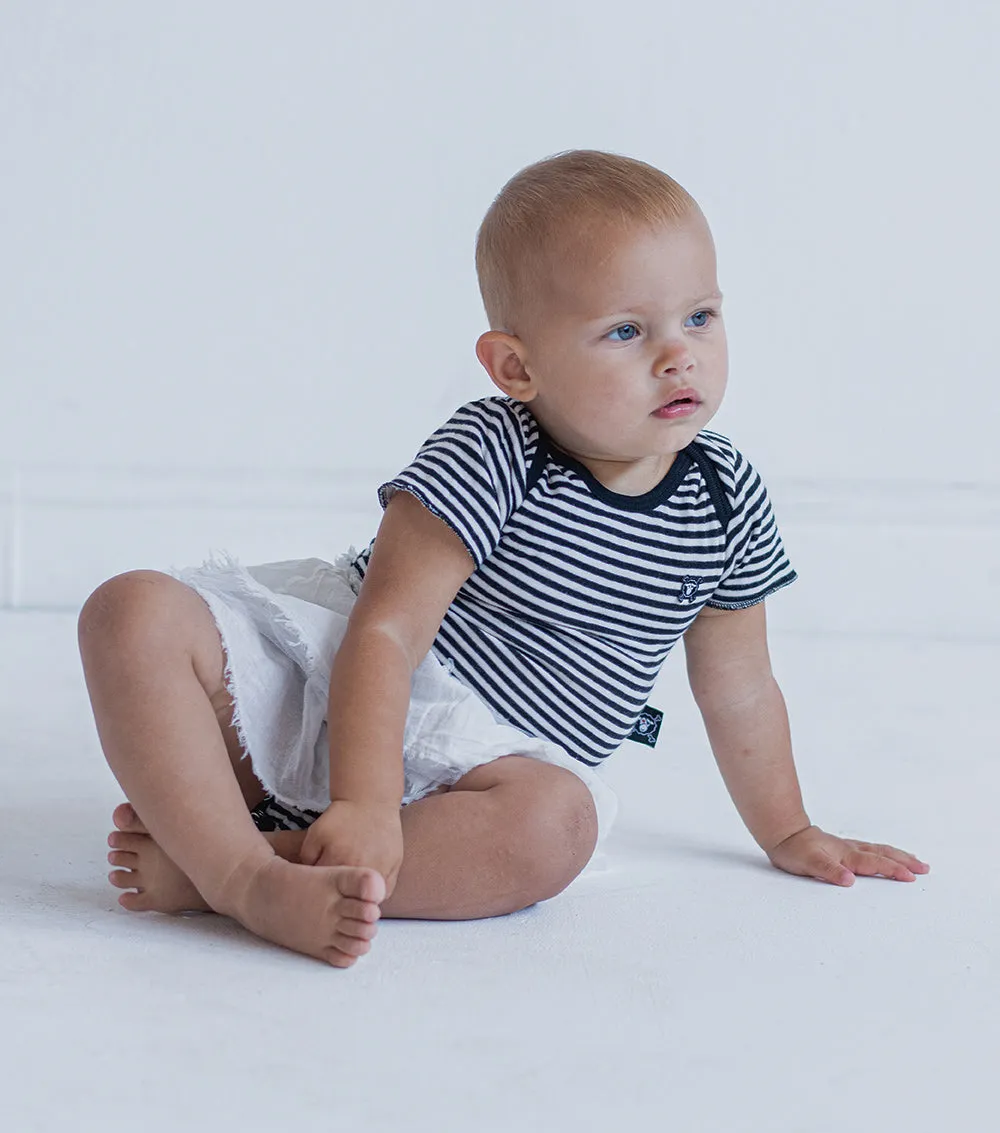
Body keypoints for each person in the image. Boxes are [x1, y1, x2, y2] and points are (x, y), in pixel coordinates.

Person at [78, 150, 929, 969]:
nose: (680, 354)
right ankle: (241, 876)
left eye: (700, 316)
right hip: (348, 696)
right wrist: (366, 801)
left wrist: (788, 829)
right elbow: (385, 632)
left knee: (556, 829)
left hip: (489, 771)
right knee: (132, 611)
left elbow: (740, 685)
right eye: (627, 331)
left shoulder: (725, 495)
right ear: (515, 366)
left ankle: (244, 864)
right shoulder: (495, 450)